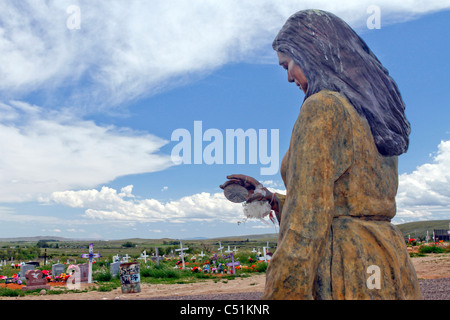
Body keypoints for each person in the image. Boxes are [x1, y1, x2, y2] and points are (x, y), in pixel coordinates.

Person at [220, 9, 422, 300]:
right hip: (385, 261)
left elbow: (307, 222)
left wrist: (282, 293)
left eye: (287, 64)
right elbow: (348, 202)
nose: (289, 78)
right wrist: (273, 199)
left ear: (313, 53)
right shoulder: (373, 117)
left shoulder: (323, 108)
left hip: (344, 268)